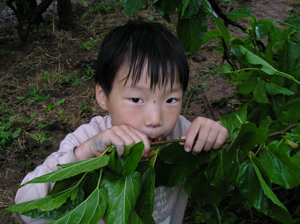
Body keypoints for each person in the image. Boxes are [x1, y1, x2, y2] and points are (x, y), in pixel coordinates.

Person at [15, 20, 229, 224]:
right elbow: (28, 207)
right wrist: (83, 155)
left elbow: (223, 179)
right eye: (136, 99)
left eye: (171, 99)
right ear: (102, 96)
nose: (155, 119)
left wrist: (214, 141)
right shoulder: (88, 140)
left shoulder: (183, 136)